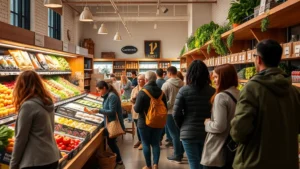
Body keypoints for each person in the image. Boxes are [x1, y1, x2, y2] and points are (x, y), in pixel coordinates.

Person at [230, 39, 300, 169]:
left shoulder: (251, 89)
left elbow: (239, 131)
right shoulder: (294, 91)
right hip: (287, 161)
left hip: (255, 162)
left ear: (259, 59)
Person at [10, 70, 60, 169]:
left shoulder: (28, 106)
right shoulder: (48, 102)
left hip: (36, 161)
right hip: (52, 157)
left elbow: (21, 139)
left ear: (21, 86)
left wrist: (13, 164)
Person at [173, 60, 215, 169]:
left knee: (194, 163)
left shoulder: (183, 90)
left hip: (188, 133)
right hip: (207, 132)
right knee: (206, 163)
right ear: (206, 74)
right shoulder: (213, 91)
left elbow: (176, 114)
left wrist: (183, 126)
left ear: (189, 74)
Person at [201, 64, 239, 169]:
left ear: (225, 78)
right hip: (232, 146)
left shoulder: (221, 97)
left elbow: (219, 126)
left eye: (217, 77)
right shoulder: (239, 93)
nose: (214, 80)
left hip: (218, 148)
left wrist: (207, 123)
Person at [134, 71, 168, 169]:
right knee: (155, 143)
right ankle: (156, 164)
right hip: (158, 122)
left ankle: (148, 166)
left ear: (146, 80)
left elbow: (137, 109)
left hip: (144, 122)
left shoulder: (142, 92)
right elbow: (165, 107)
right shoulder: (161, 92)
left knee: (145, 143)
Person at [94, 81, 126, 169]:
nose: (98, 92)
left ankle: (119, 160)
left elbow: (112, 112)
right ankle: (118, 159)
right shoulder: (108, 96)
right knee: (111, 142)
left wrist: (98, 110)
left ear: (104, 88)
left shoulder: (112, 96)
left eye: (99, 90)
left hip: (113, 123)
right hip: (110, 123)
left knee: (111, 142)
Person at [161, 66, 184, 163]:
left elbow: (162, 99)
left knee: (173, 134)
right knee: (180, 133)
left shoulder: (166, 85)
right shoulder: (183, 83)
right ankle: (181, 151)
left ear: (169, 73)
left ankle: (177, 155)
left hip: (170, 112)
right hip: (181, 112)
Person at [156, 68, 172, 146]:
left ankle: (158, 139)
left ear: (156, 74)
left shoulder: (155, 83)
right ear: (163, 74)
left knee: (159, 124)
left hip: (158, 106)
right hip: (166, 105)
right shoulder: (166, 82)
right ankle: (167, 138)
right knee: (165, 124)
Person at [131, 74, 146, 150]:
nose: (138, 81)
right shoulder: (134, 89)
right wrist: (134, 98)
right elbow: (131, 100)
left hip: (144, 113)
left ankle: (144, 142)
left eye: (140, 79)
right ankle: (140, 140)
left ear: (144, 80)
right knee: (137, 127)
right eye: (138, 80)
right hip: (136, 111)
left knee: (143, 127)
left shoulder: (146, 89)